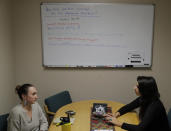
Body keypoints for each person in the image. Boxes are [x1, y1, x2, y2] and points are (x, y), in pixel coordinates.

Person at [105, 76, 170, 131]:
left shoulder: (154, 106)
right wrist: (115, 114)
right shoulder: (145, 98)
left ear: (145, 90)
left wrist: (118, 123)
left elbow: (140, 128)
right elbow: (129, 106)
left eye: (137, 86)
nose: (134, 88)